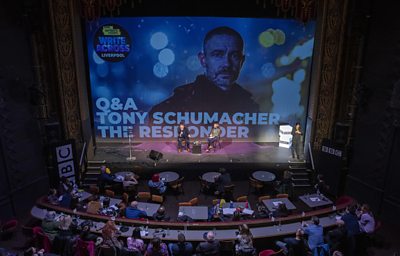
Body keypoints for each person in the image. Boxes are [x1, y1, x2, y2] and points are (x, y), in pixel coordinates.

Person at [148, 27, 259, 131]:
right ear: (203, 60)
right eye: (218, 54)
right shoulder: (173, 107)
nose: (227, 64)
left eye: (234, 56)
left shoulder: (250, 105)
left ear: (242, 61)